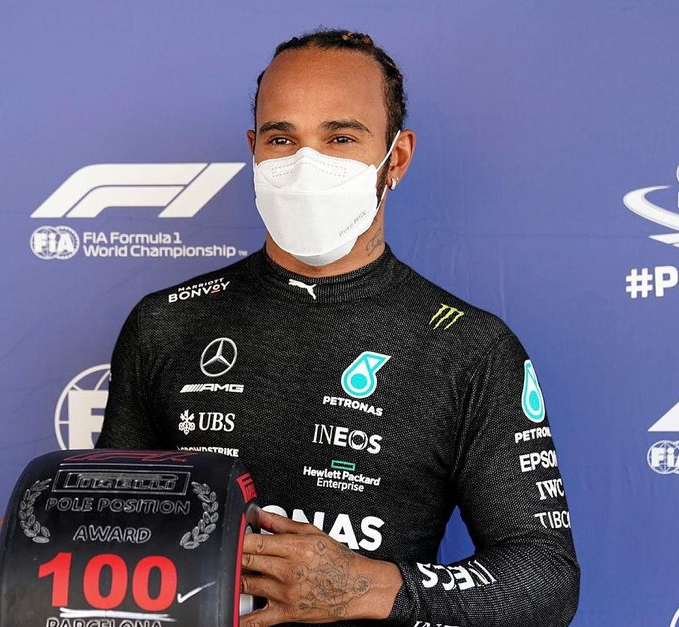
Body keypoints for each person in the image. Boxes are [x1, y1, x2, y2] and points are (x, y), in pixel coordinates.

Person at [95, 28, 579, 627]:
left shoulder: (468, 348)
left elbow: (546, 578)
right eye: (281, 138)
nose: (306, 165)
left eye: (340, 138)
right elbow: (112, 523)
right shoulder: (167, 322)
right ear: (253, 150)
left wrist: (362, 587)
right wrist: (57, 523)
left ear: (395, 158)